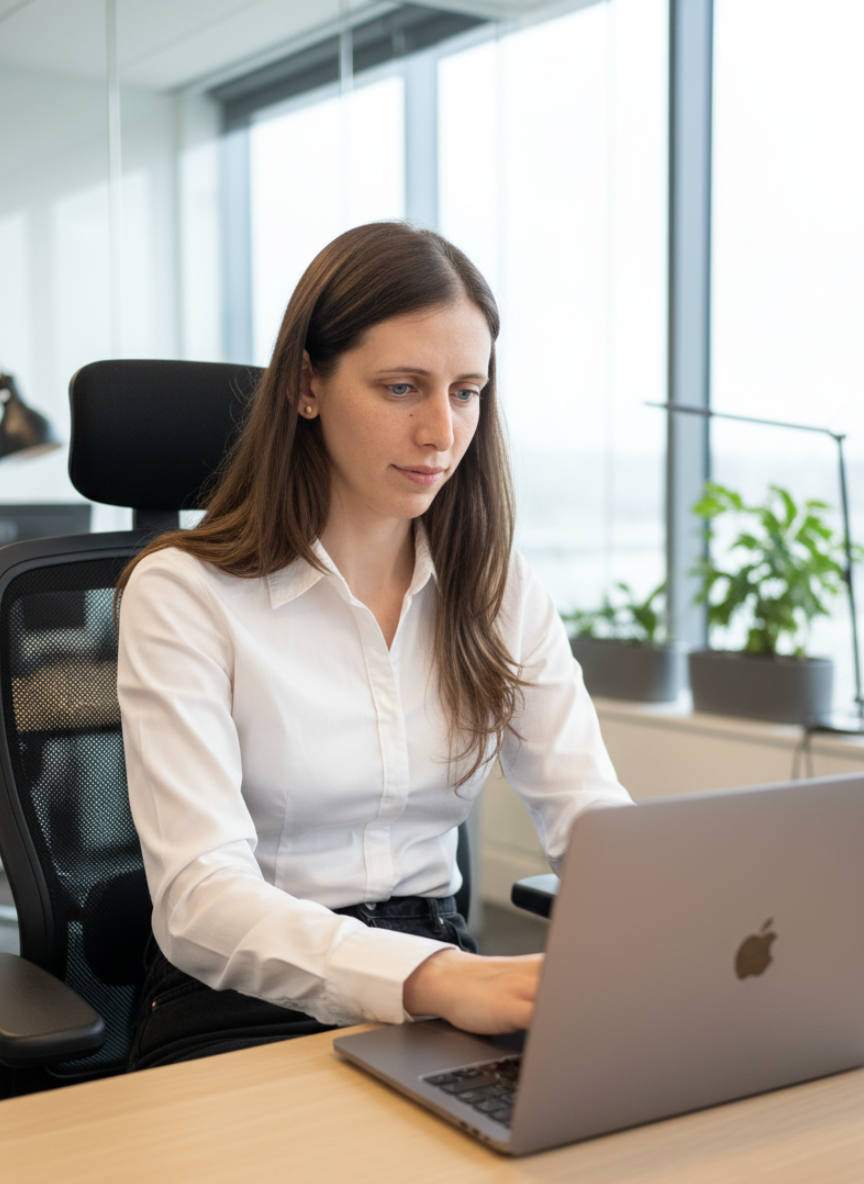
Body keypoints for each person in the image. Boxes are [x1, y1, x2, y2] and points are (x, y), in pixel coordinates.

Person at [117, 221, 631, 1071]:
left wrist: (685, 939)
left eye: (467, 391)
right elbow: (201, 901)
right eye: (402, 388)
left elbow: (593, 821)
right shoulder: (185, 594)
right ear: (307, 385)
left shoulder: (496, 587)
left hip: (441, 980)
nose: (442, 432)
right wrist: (434, 979)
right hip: (241, 1002)